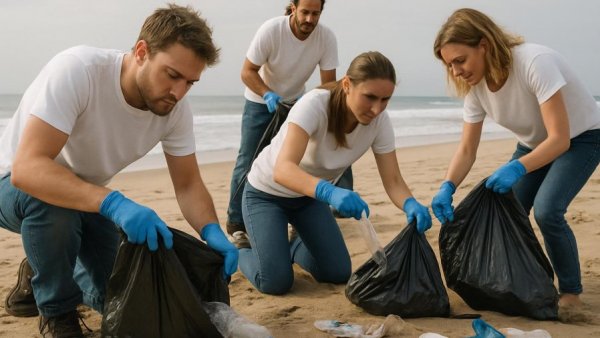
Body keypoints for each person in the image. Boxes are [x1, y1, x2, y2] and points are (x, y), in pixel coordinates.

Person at [0, 4, 238, 337]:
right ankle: (59, 316)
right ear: (142, 52)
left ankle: (43, 267)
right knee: (54, 210)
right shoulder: (79, 70)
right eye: (172, 75)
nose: (179, 92)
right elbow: (28, 168)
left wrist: (212, 232)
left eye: (190, 82)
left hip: (84, 196)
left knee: (122, 290)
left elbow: (187, 184)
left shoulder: (175, 109)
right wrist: (115, 204)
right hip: (15, 185)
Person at [431, 8, 600, 308]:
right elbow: (467, 149)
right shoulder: (476, 89)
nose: (456, 71)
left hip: (582, 137)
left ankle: (571, 291)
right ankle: (524, 281)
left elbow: (559, 139)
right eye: (450, 65)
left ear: (483, 45)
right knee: (509, 210)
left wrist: (516, 167)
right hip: (533, 143)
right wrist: (448, 186)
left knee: (548, 210)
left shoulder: (535, 63)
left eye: (460, 60)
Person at [236, 51, 432, 295]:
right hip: (266, 195)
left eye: (385, 100)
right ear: (348, 84)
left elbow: (393, 180)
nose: (376, 109)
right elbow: (283, 170)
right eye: (369, 97)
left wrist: (410, 204)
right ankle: (241, 250)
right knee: (275, 282)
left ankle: (293, 247)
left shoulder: (380, 122)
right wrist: (330, 192)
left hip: (308, 199)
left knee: (337, 272)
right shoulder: (315, 104)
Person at [227, 0, 352, 237]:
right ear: (293, 8)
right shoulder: (272, 30)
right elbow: (247, 71)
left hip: (296, 103)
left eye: (315, 14)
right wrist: (267, 94)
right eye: (305, 12)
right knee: (248, 159)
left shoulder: (326, 38)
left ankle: (296, 218)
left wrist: (322, 114)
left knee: (297, 160)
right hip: (260, 100)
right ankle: (236, 223)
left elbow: (327, 84)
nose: (309, 19)